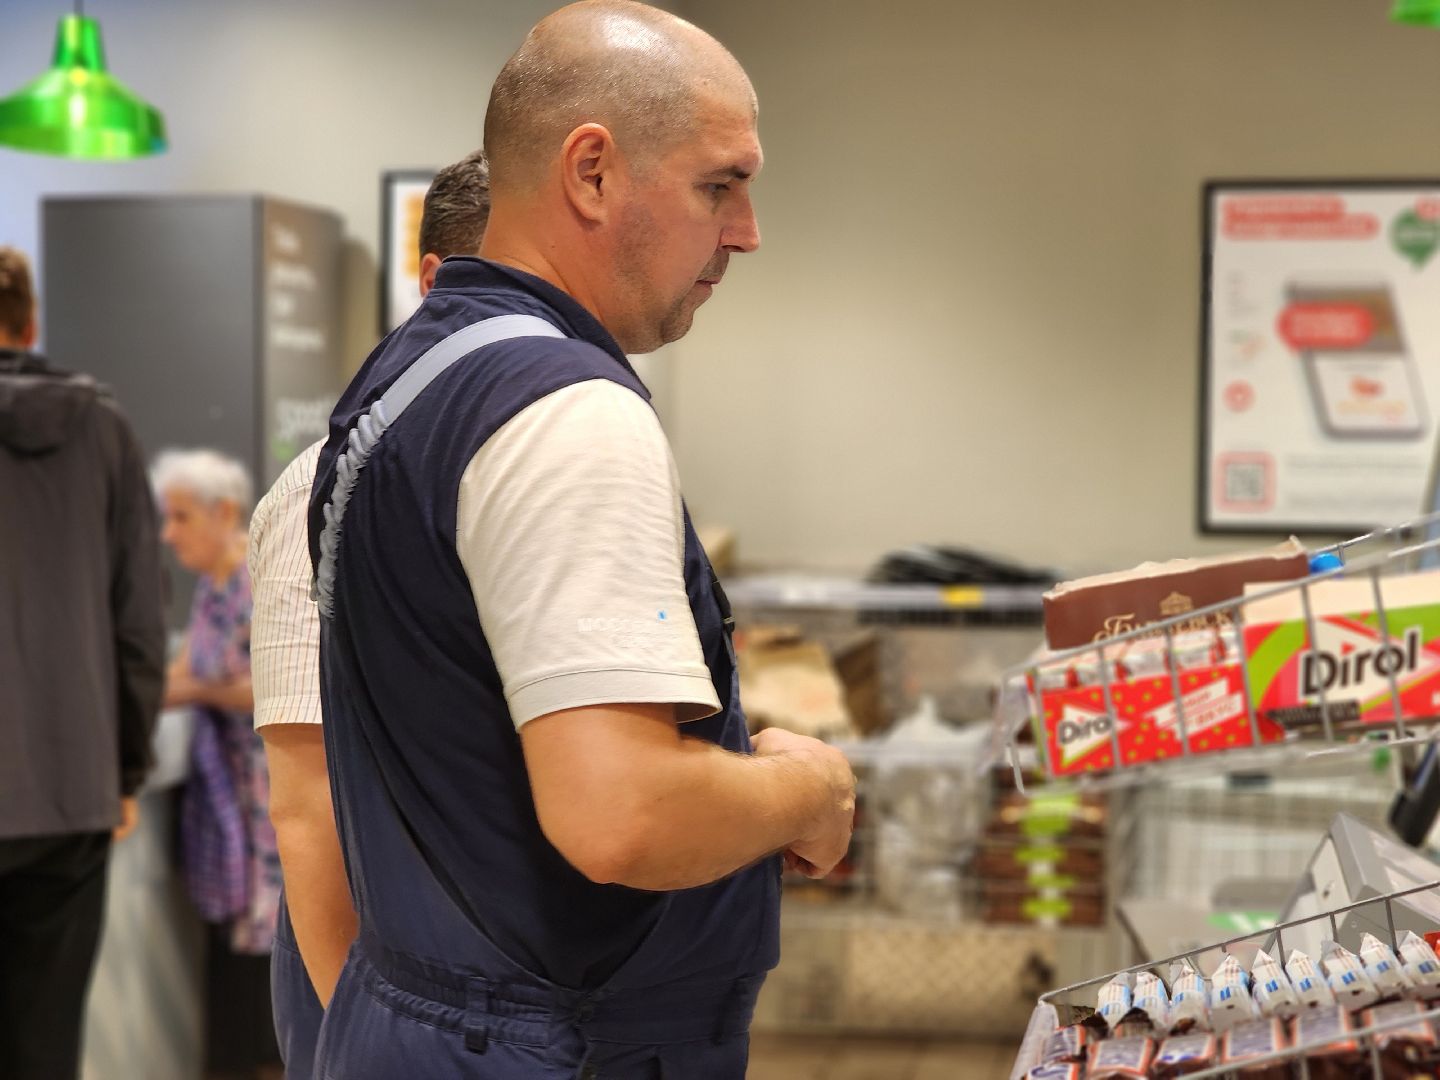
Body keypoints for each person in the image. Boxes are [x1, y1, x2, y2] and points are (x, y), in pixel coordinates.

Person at [307, 3, 854, 1077]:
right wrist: (809, 788)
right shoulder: (569, 413)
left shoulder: (406, 382)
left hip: (418, 1017)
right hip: (550, 1045)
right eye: (719, 185)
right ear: (592, 173)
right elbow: (623, 813)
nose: (745, 231)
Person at [249, 147, 493, 1080]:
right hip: (374, 979)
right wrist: (363, 1035)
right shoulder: (330, 483)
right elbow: (308, 803)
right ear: (435, 282)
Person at [0, 246, 166, 1080]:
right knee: (44, 1043)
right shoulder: (103, 428)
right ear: (30, 325)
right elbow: (137, 622)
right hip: (68, 787)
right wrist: (127, 768)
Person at [154, 449, 282, 1080]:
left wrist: (195, 690)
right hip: (229, 802)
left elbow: (275, 687)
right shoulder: (212, 588)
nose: (167, 534)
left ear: (223, 513)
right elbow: (188, 673)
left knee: (262, 966)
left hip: (268, 807)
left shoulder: (260, 581)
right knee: (232, 961)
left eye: (179, 517)